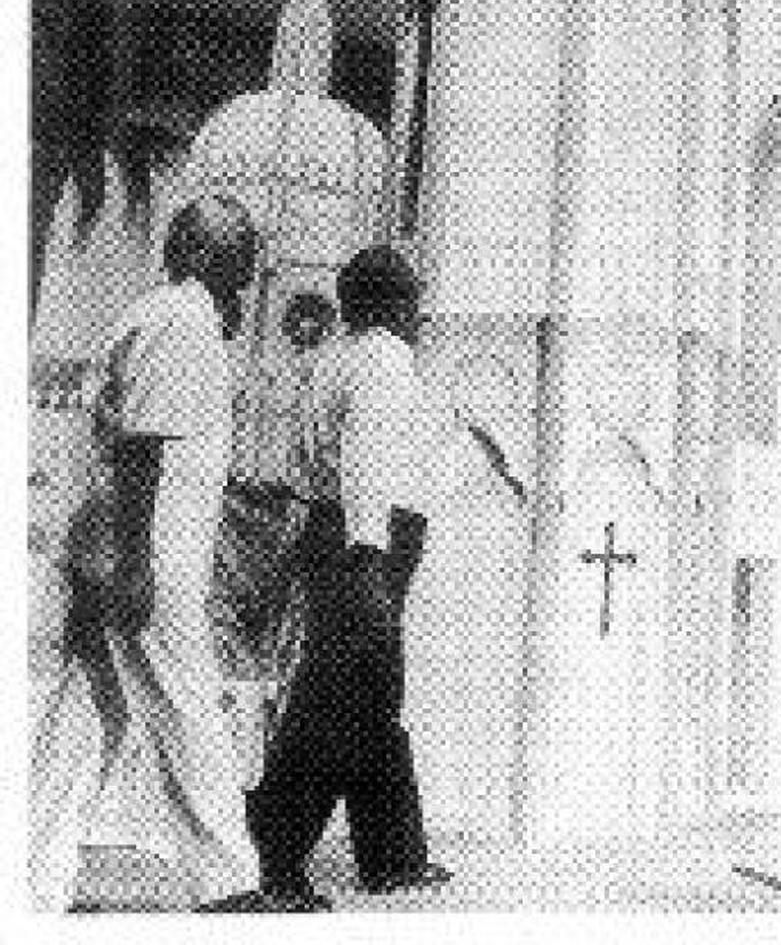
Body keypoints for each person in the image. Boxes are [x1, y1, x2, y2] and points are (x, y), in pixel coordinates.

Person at [28, 194, 291, 914]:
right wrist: (138, 564)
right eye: (239, 265)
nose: (247, 283)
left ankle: (30, 873)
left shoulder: (165, 317)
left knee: (89, 716)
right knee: (188, 707)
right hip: (146, 558)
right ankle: (229, 883)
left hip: (114, 546)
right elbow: (143, 449)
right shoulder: (181, 321)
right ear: (201, 255)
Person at [247, 244, 524, 903]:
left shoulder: (334, 358)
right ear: (398, 305)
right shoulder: (383, 360)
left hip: (335, 534)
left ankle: (392, 854)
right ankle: (273, 858)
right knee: (333, 703)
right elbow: (369, 459)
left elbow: (319, 460)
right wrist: (370, 558)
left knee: (371, 699)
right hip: (364, 546)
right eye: (414, 301)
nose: (420, 314)